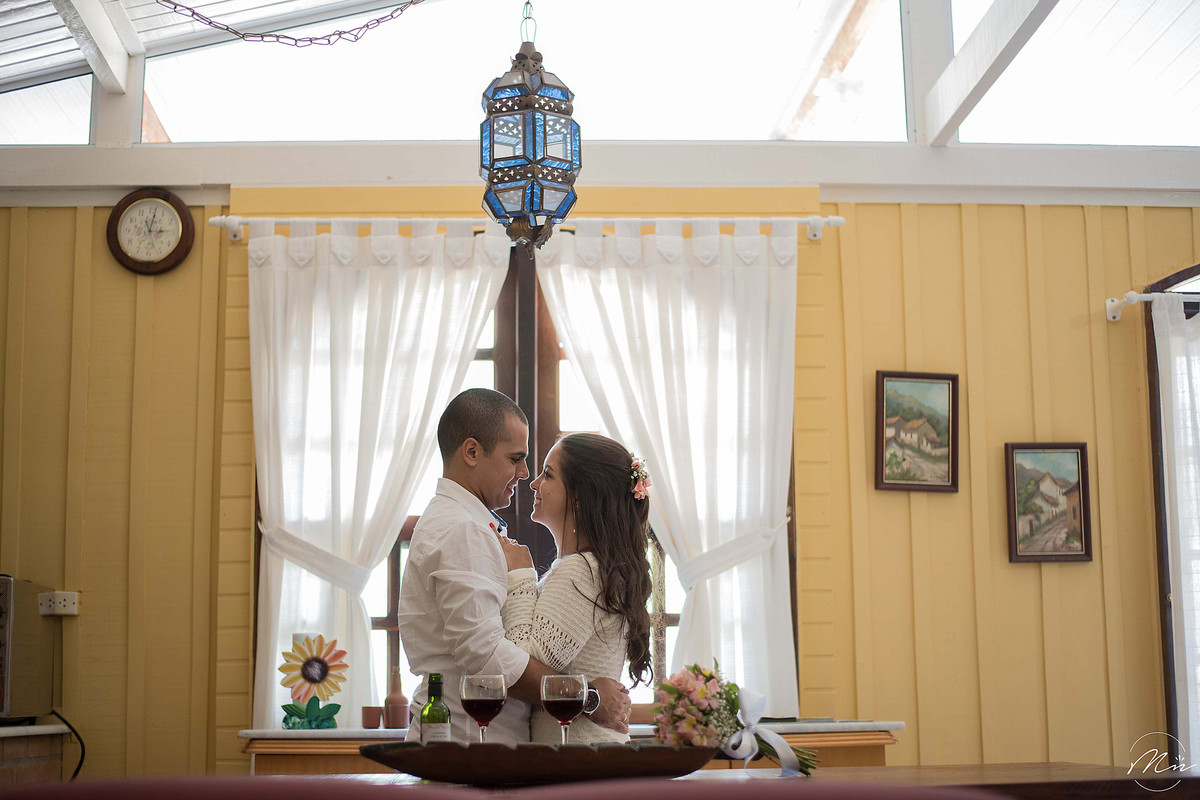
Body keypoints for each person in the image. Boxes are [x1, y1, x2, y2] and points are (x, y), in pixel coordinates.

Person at [398, 388, 632, 744]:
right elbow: (486, 656)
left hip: (489, 740)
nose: (525, 474)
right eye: (515, 458)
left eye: (541, 471)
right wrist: (588, 698)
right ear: (472, 452)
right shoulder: (464, 529)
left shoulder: (470, 524)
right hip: (471, 741)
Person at [497, 432, 653, 744]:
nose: (534, 483)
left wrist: (521, 575)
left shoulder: (581, 570)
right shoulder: (592, 567)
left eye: (548, 474)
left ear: (580, 496)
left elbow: (521, 660)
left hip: (580, 759)